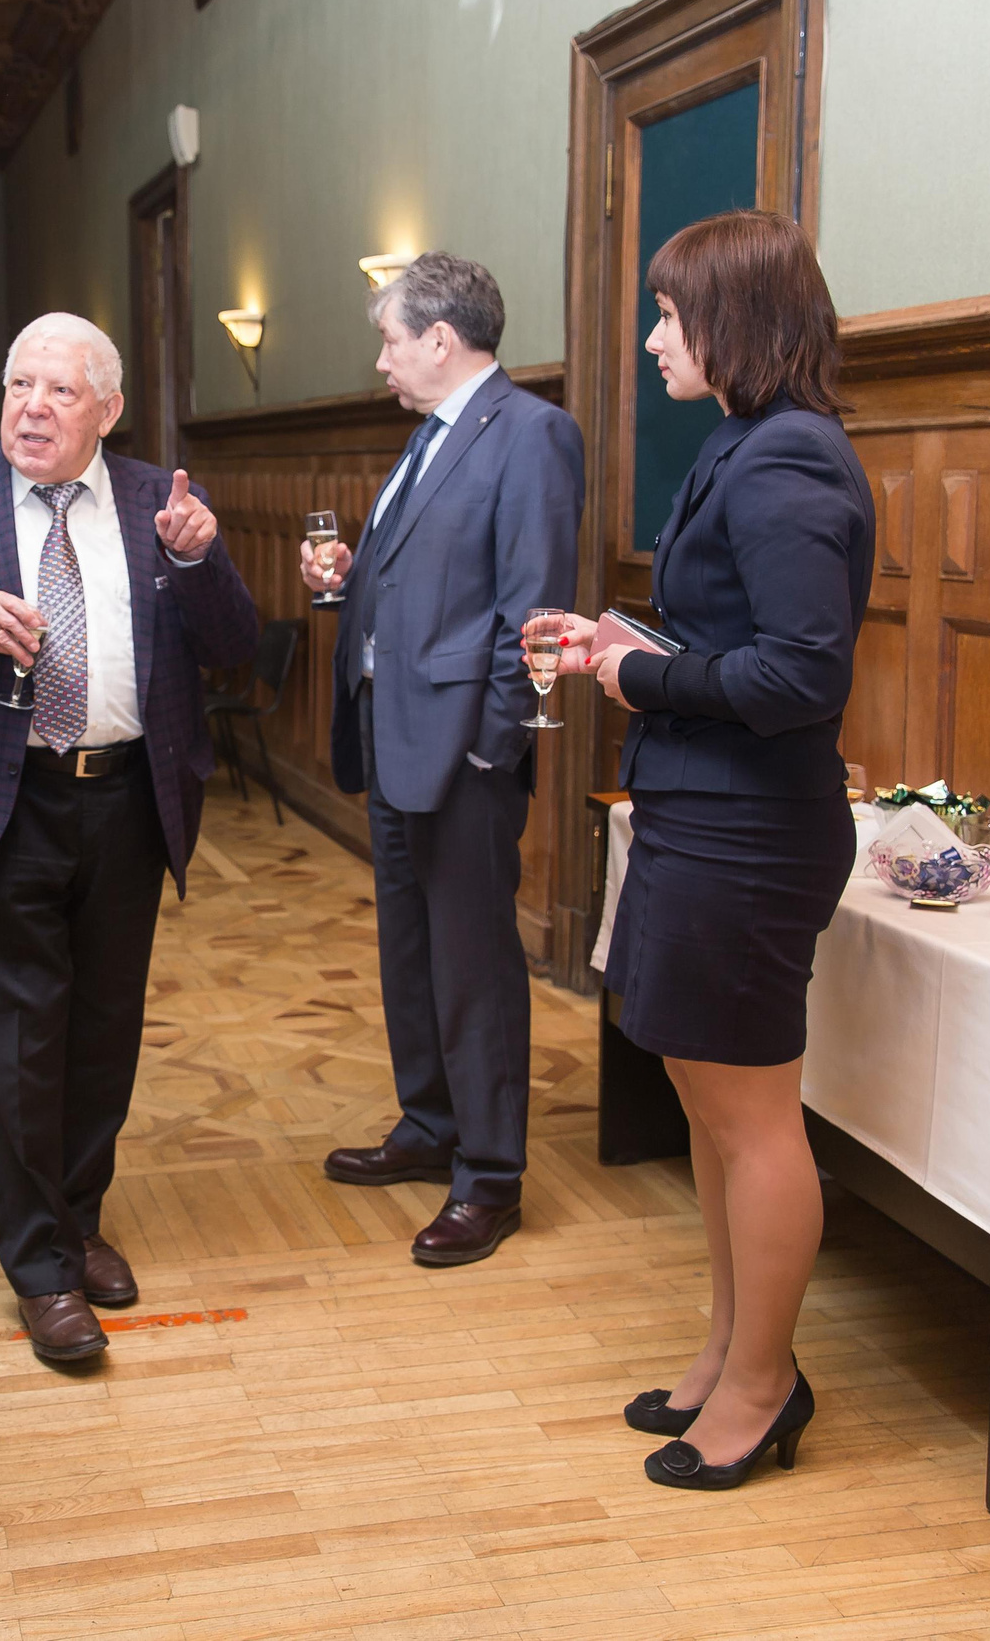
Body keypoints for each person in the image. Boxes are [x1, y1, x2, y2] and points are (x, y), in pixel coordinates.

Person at [546, 207, 873, 1492]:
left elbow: (797, 672)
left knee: (754, 1120)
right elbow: (723, 634)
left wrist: (639, 677)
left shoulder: (789, 459)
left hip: (749, 830)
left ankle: (762, 1387)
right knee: (703, 1101)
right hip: (703, 813)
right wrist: (616, 642)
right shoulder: (748, 444)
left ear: (732, 319)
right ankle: (729, 1345)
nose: (648, 340)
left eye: (668, 316)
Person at [0, 312, 258, 1363]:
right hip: (0, 798)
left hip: (128, 800)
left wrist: (202, 559)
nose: (31, 408)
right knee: (23, 1042)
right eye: (18, 386)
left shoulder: (158, 502)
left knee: (102, 1032)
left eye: (58, 391)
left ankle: (80, 1214)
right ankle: (43, 1268)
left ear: (108, 410)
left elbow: (232, 645)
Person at [298, 252, 583, 1267]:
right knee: (410, 952)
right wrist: (342, 582)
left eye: (388, 340)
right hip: (390, 735)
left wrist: (493, 748)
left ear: (439, 339)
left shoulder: (532, 436)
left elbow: (535, 609)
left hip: (461, 750)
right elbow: (421, 588)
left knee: (473, 966)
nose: (379, 361)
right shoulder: (426, 442)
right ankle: (429, 1125)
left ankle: (490, 1175)